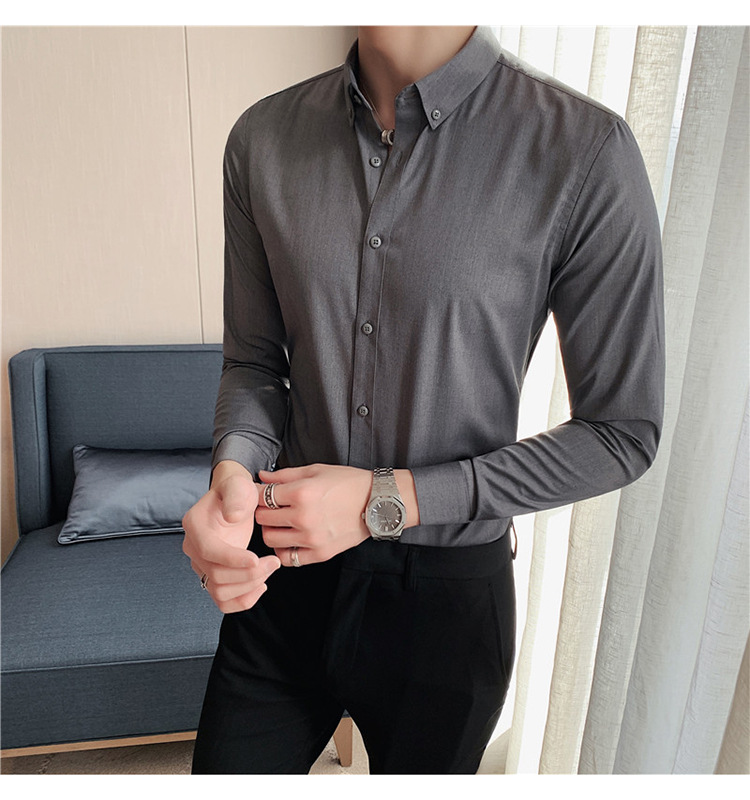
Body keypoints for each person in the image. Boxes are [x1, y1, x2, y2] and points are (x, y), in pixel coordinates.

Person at [183, 25, 665, 774]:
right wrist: (232, 474)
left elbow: (622, 432)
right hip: (283, 573)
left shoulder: (583, 151)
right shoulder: (262, 139)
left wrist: (385, 499)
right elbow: (254, 363)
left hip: (449, 608)